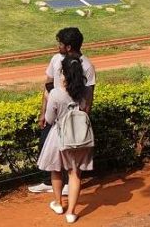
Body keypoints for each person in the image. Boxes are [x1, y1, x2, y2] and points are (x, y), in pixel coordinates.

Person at [29, 27, 96, 195]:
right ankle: (48, 182)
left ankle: (67, 185)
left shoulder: (87, 66)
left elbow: (88, 98)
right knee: (47, 147)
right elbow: (48, 86)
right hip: (55, 113)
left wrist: (82, 119)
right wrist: (43, 112)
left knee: (71, 150)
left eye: (60, 43)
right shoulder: (55, 59)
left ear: (68, 47)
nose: (57, 46)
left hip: (73, 117)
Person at [37, 55, 94, 223]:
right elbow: (86, 109)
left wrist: (48, 101)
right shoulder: (85, 91)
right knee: (75, 173)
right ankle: (71, 212)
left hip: (59, 135)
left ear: (63, 72)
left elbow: (48, 118)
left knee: (56, 169)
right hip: (79, 136)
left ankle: (59, 203)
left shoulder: (55, 93)